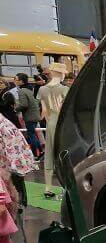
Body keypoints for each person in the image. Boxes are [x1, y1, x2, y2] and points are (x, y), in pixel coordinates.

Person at [37, 62, 70, 197]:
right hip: (61, 123)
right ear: (60, 73)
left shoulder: (42, 90)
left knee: (49, 154)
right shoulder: (64, 89)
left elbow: (43, 113)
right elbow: (64, 110)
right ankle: (64, 188)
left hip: (50, 123)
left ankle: (48, 188)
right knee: (62, 154)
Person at [14, 74, 42, 158]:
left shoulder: (22, 91)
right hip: (34, 115)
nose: (14, 80)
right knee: (33, 134)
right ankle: (40, 151)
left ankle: (36, 154)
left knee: (31, 135)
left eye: (15, 79)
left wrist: (15, 109)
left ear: (21, 81)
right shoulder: (29, 89)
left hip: (29, 116)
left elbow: (24, 105)